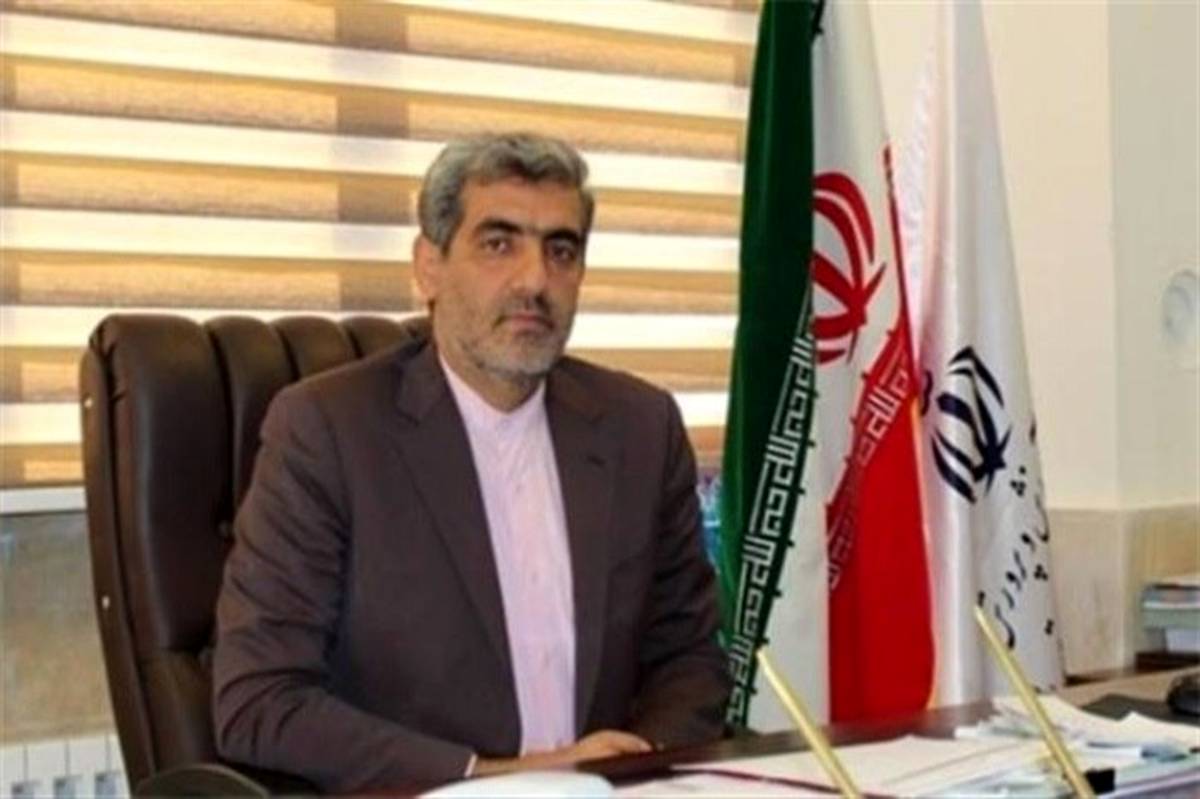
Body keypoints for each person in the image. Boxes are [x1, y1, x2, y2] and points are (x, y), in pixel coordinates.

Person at [212, 132, 730, 792]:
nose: (534, 280)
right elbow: (259, 701)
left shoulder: (640, 427)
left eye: (561, 250)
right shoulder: (328, 431)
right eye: (498, 243)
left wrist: (634, 767)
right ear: (429, 266)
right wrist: (497, 778)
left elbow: (688, 659)